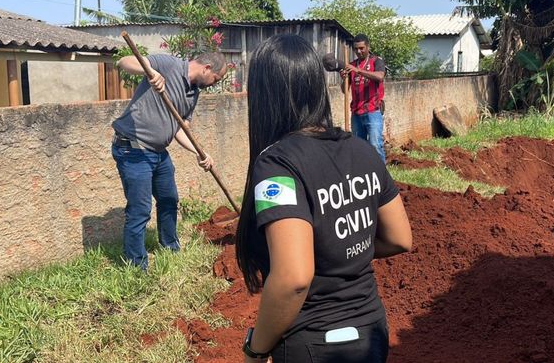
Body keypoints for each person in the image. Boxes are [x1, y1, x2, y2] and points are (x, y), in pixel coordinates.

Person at [236, 34, 412, 363]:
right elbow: (400, 238)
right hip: (371, 331)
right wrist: (341, 249)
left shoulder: (275, 164)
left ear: (263, 95)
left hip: (313, 344)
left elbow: (293, 279)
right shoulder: (363, 151)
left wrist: (255, 350)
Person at [112, 52, 226, 270]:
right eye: (216, 79)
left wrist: (200, 153)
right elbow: (123, 61)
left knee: (169, 199)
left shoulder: (193, 94)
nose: (214, 84)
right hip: (133, 149)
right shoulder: (168, 64)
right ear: (207, 68)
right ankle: (136, 266)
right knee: (140, 210)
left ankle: (170, 247)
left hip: (158, 152)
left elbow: (180, 129)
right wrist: (151, 72)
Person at [341, 33, 387, 163]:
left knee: (375, 145)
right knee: (358, 148)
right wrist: (344, 79)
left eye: (361, 48)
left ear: (367, 47)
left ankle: (381, 176)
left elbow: (379, 76)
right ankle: (364, 175)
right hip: (356, 113)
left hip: (373, 111)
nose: (359, 51)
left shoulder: (376, 61)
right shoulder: (351, 65)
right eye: (356, 49)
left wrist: (358, 70)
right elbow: (344, 90)